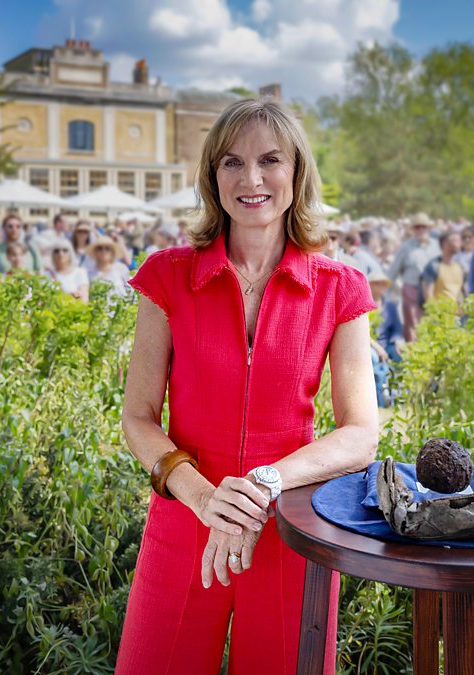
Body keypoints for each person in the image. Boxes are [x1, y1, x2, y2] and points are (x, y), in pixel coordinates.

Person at [116, 98, 378, 674]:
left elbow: (361, 434)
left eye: (270, 160)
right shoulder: (168, 276)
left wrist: (264, 483)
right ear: (213, 176)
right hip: (185, 523)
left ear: (297, 172)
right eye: (232, 162)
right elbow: (138, 416)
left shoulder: (340, 288)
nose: (251, 178)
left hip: (292, 532)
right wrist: (203, 498)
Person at [385, 214, 439, 341]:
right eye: (417, 227)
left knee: (434, 325)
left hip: (433, 291)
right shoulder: (406, 247)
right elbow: (393, 272)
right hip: (412, 290)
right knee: (414, 328)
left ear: (429, 228)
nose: (420, 230)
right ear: (413, 230)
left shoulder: (437, 246)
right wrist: (384, 295)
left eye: (423, 227)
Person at [421, 231, 466, 306]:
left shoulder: (459, 266)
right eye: (455, 240)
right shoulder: (433, 266)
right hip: (440, 311)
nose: (459, 244)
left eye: (459, 240)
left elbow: (460, 291)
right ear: (444, 243)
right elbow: (428, 295)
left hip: (456, 311)